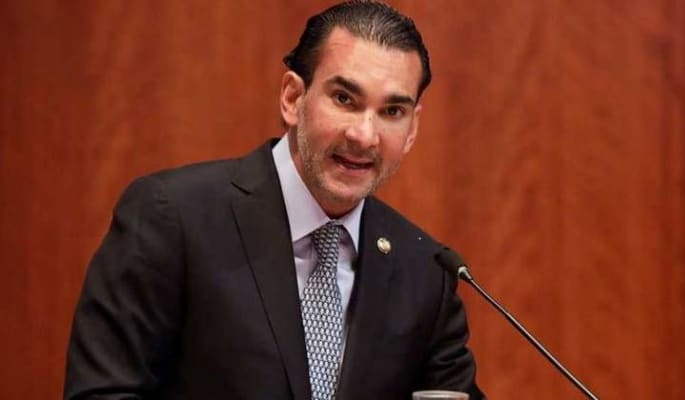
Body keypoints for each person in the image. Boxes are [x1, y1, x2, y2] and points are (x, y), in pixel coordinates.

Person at [64, 1, 484, 399]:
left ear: (412, 130)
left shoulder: (427, 272)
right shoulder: (172, 218)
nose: (364, 136)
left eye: (392, 112)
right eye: (344, 99)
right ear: (292, 98)